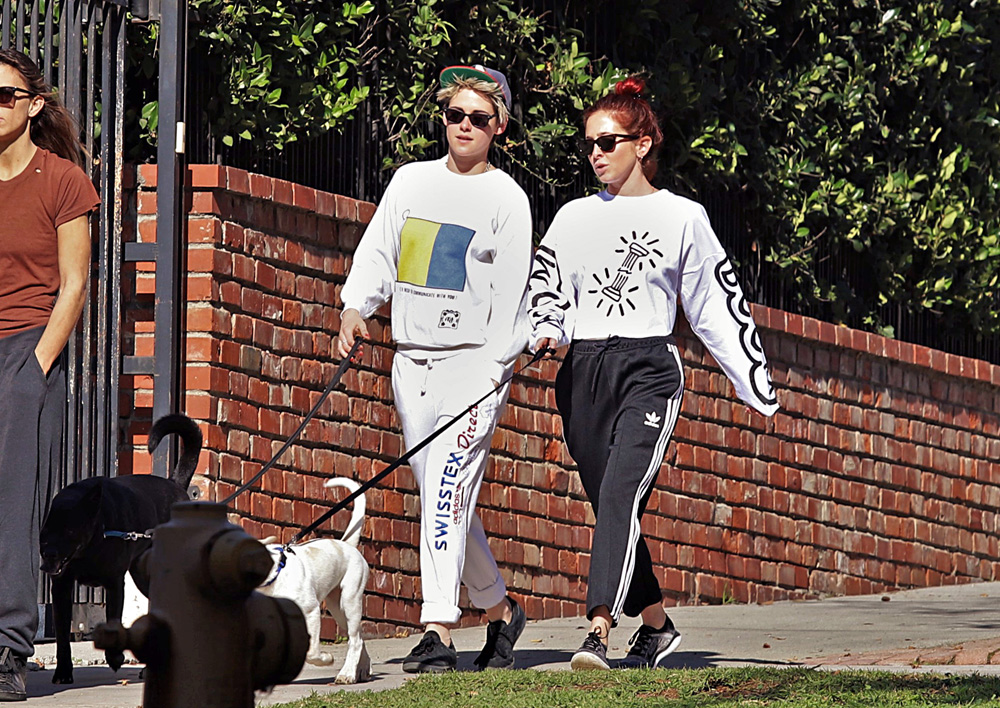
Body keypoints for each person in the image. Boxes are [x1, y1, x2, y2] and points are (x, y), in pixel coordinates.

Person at [528, 76, 779, 671]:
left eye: (608, 141)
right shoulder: (571, 217)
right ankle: (658, 627)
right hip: (583, 371)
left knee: (620, 492)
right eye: (589, 143)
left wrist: (754, 386)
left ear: (642, 144)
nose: (595, 153)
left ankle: (595, 631)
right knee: (612, 505)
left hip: (648, 370)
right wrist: (544, 329)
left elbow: (715, 303)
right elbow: (547, 286)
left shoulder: (682, 217)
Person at [335, 64, 531, 672]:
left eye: (479, 117)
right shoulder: (410, 182)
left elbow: (514, 291)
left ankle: (438, 627)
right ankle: (499, 610)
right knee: (443, 494)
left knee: (446, 488)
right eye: (455, 114)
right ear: (442, 118)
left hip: (473, 366)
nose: (465, 126)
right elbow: (380, 251)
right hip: (411, 365)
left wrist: (495, 369)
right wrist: (353, 307)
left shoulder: (507, 198)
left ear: (498, 125)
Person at [0, 49, 100, 700]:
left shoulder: (62, 180)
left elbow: (75, 284)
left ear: (33, 105)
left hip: (25, 350)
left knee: (10, 509)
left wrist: (35, 367)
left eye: (4, 95)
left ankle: (8, 651)